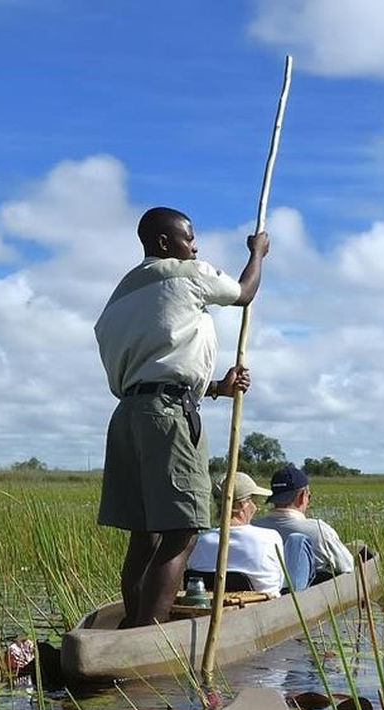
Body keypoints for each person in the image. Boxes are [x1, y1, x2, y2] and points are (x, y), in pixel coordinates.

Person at [95, 206, 270, 627]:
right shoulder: (185, 274)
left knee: (146, 533)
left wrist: (215, 389)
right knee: (181, 532)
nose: (195, 246)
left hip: (129, 416)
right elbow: (244, 292)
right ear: (163, 243)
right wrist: (258, 253)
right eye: (189, 239)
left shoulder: (121, 296)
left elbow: (153, 366)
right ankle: (148, 637)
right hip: (169, 418)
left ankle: (134, 626)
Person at [188, 471, 287, 597]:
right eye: (254, 501)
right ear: (242, 505)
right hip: (264, 608)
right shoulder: (270, 537)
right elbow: (281, 583)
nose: (256, 507)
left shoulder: (199, 541)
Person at [253, 463, 355, 585]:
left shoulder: (253, 527)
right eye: (309, 496)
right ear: (302, 496)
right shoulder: (319, 530)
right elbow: (347, 567)